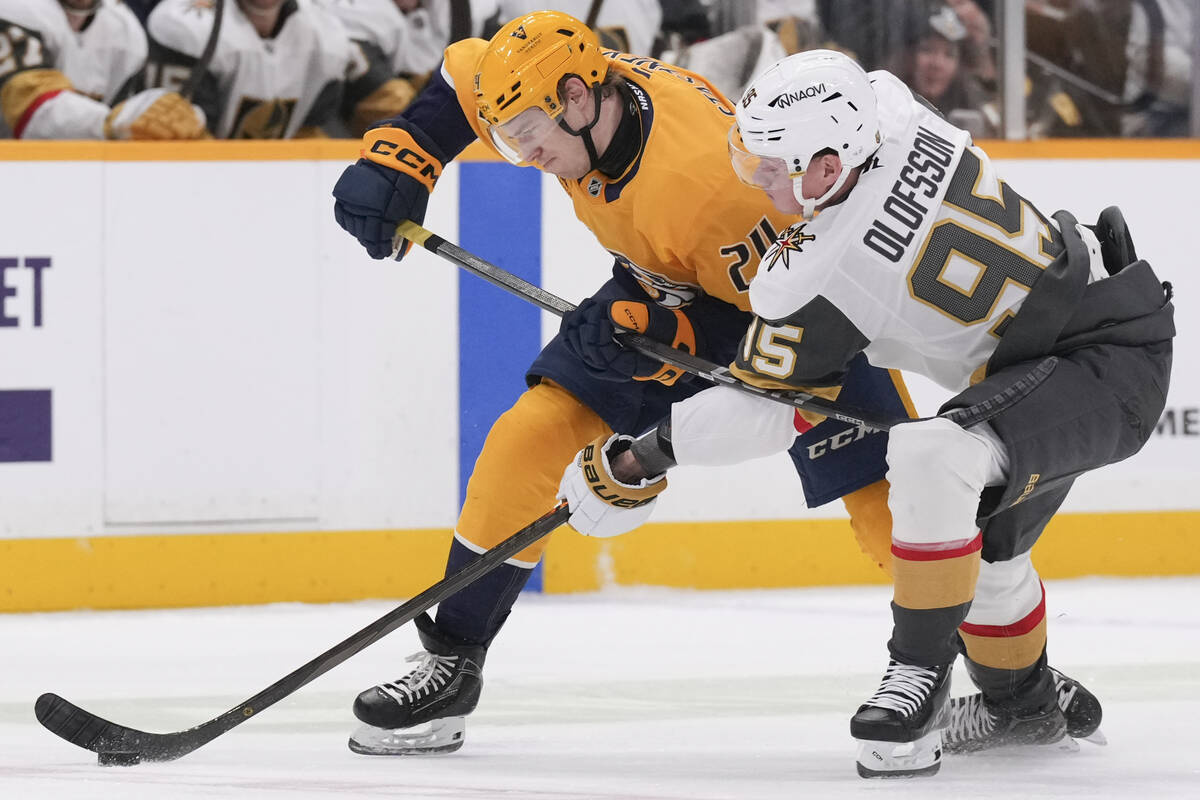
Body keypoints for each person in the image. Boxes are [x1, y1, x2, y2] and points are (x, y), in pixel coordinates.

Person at [558, 48, 1173, 778]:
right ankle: (1026, 705)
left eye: (771, 167)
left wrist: (646, 454)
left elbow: (775, 411)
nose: (755, 179)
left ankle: (915, 678)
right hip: (1082, 334)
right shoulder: (890, 108)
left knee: (932, 452)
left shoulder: (816, 271)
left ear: (825, 166)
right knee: (989, 549)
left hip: (1098, 362)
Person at [330, 9, 915, 756]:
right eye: (513, 141)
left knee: (889, 499)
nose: (527, 156)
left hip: (801, 310)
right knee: (527, 439)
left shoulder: (708, 185)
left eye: (533, 139)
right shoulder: (546, 88)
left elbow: (791, 315)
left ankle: (1009, 672)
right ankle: (451, 662)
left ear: (579, 99)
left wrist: (668, 341)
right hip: (656, 292)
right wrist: (405, 155)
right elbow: (462, 69)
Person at [144, 0, 413, 138]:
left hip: (275, 193)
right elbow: (173, 137)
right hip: (191, 187)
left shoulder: (325, 35)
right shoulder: (183, 23)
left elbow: (308, 133)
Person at [0, 0, 206, 140]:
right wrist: (113, 121)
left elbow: (127, 123)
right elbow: (32, 112)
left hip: (71, 173)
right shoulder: (12, 8)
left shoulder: (124, 28)